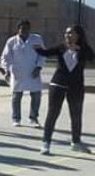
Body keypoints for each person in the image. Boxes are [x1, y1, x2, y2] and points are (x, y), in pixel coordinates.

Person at [34, 25, 94, 155]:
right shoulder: (61, 48)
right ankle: (46, 143)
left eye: (71, 33)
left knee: (76, 115)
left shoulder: (84, 49)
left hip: (76, 87)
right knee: (52, 114)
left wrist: (80, 49)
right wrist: (35, 47)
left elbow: (92, 58)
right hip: (58, 84)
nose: (68, 35)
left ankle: (76, 143)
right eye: (66, 33)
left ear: (78, 35)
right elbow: (45, 52)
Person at [1, 20, 45, 128]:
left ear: (30, 29)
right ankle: (16, 118)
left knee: (36, 95)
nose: (24, 30)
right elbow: (5, 57)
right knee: (16, 97)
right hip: (17, 73)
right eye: (22, 28)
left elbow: (42, 54)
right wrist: (7, 70)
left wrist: (38, 67)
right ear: (18, 29)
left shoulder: (36, 39)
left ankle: (33, 118)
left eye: (27, 28)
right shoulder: (11, 41)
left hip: (33, 71)